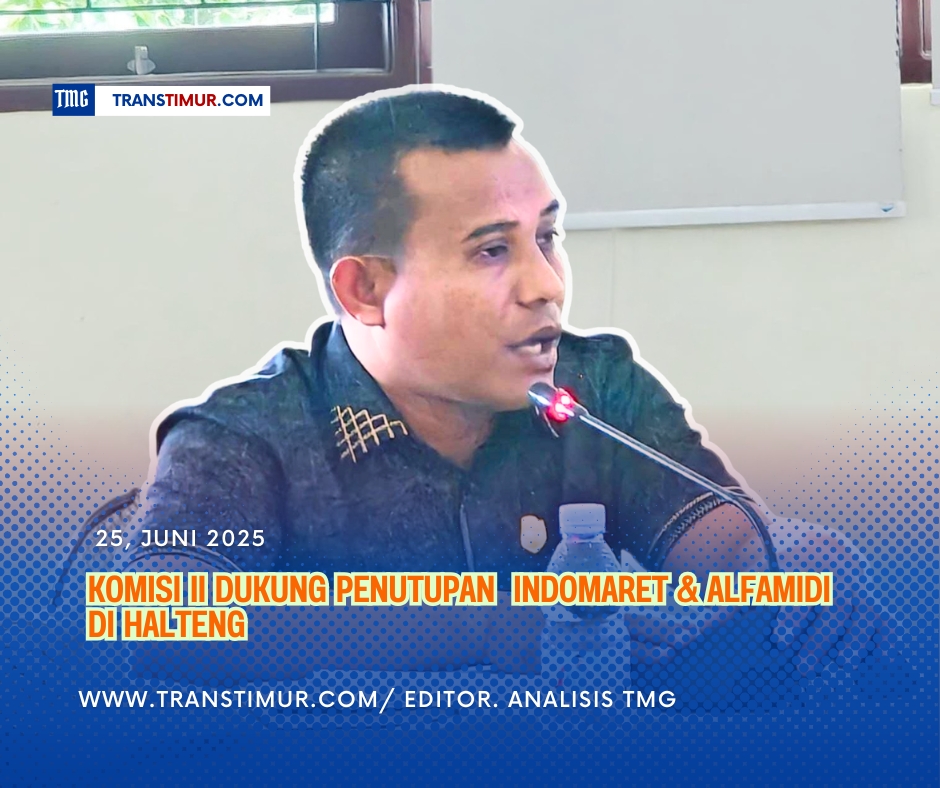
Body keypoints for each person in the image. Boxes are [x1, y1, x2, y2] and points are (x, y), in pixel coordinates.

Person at [135, 85, 890, 673]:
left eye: (547, 237)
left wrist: (782, 559)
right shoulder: (246, 436)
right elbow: (161, 624)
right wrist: (485, 628)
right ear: (365, 289)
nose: (546, 285)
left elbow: (715, 538)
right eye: (492, 251)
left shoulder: (596, 387)